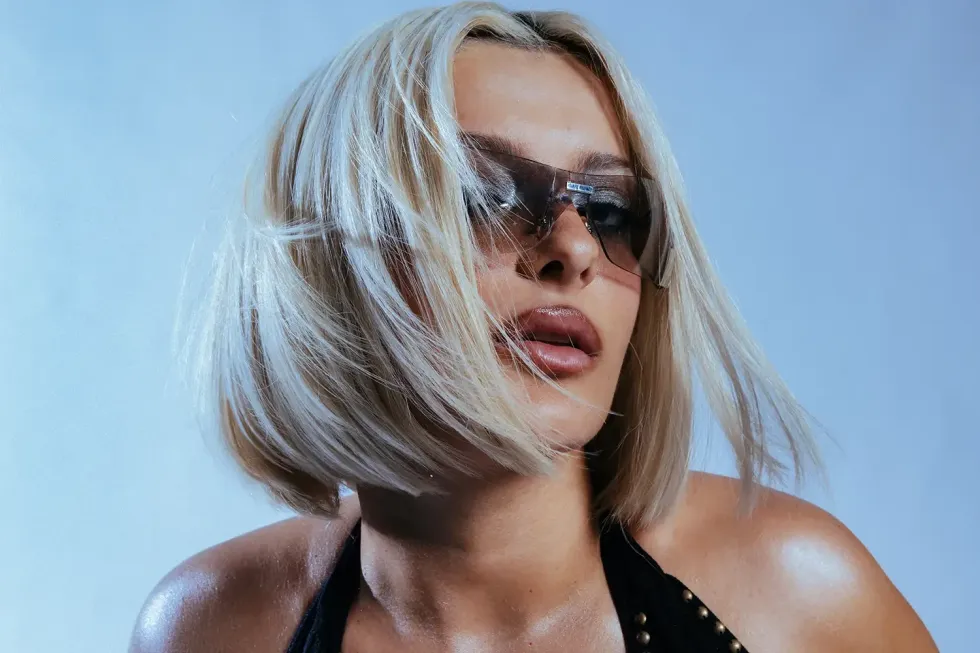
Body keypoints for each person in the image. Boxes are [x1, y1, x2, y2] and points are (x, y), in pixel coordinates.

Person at [129, 3, 937, 652]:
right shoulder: (210, 626)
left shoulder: (793, 594)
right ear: (328, 264)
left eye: (609, 210)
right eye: (483, 197)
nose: (574, 249)